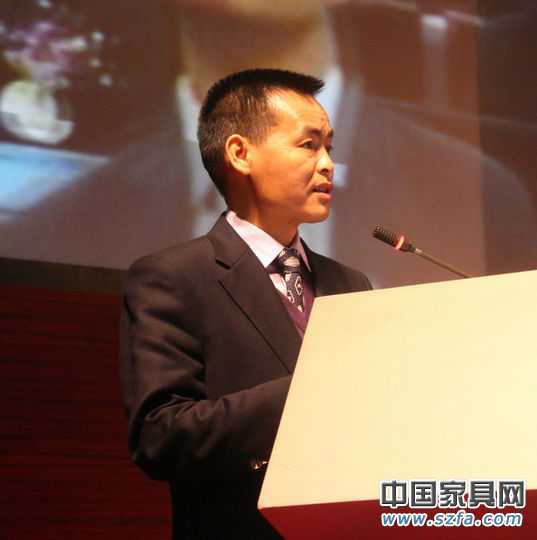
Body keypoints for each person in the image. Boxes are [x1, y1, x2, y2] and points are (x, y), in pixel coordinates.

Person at [120, 68, 371, 540]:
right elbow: (160, 436)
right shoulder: (173, 277)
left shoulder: (350, 283)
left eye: (329, 147)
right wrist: (312, 392)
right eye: (308, 145)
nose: (327, 165)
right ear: (240, 153)